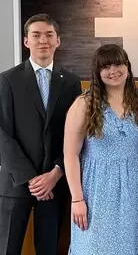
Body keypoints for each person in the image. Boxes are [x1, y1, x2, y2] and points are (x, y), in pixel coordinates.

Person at [0, 13, 82, 255]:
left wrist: (55, 173)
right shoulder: (7, 80)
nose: (43, 40)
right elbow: (3, 134)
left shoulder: (71, 82)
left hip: (54, 184)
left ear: (58, 41)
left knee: (49, 249)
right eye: (36, 35)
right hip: (16, 182)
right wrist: (30, 179)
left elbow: (75, 135)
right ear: (26, 41)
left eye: (49, 35)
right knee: (7, 248)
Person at [64, 44, 138, 255]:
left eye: (118, 64)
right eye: (106, 66)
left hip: (136, 193)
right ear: (97, 72)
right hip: (97, 193)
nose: (113, 71)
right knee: (94, 247)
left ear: (128, 67)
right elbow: (70, 155)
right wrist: (77, 199)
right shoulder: (84, 104)